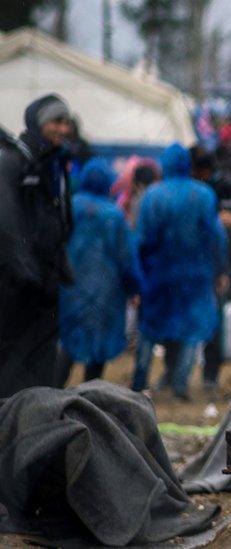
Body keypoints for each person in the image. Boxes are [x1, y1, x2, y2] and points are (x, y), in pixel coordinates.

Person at [133, 143, 227, 400]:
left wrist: (137, 275)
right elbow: (216, 236)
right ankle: (180, 385)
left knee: (150, 328)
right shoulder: (204, 195)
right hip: (195, 274)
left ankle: (139, 381)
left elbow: (140, 239)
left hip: (158, 274)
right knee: (190, 329)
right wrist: (219, 269)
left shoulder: (151, 196)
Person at [0, 94, 74, 397]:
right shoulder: (14, 163)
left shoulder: (54, 165)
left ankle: (35, 425)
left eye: (66, 122)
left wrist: (62, 267)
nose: (64, 129)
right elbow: (7, 220)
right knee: (13, 366)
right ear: (38, 123)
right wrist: (23, 268)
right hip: (17, 288)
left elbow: (60, 219)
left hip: (46, 286)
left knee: (41, 367)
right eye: (56, 121)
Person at [59, 158, 142, 381]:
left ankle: (52, 392)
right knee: (99, 345)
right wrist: (134, 287)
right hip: (106, 293)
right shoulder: (113, 216)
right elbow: (126, 256)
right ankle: (89, 395)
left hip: (70, 288)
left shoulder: (69, 206)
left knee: (68, 341)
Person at [190, 145, 231, 393]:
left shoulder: (222, 186)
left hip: (212, 265)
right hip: (197, 265)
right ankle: (181, 375)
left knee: (213, 322)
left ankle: (209, 374)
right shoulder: (190, 190)